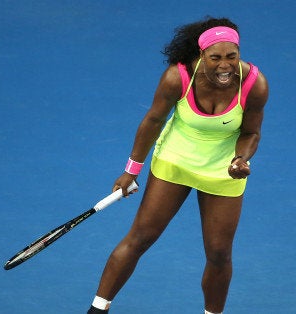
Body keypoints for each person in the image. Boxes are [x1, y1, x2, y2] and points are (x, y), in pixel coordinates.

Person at [88, 16, 269, 314]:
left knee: (219, 253)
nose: (225, 65)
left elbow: (250, 133)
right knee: (140, 238)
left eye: (231, 57)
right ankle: (97, 310)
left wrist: (241, 159)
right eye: (216, 58)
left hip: (222, 170)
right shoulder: (178, 76)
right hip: (175, 161)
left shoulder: (254, 84)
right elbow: (153, 121)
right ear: (201, 56)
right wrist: (131, 171)